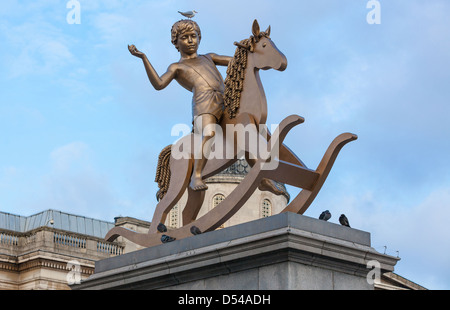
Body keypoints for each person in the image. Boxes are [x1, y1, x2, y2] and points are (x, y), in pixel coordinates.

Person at [129, 19, 232, 191]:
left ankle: (262, 173)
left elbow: (236, 60)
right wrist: (144, 58)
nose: (191, 41)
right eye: (185, 37)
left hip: (224, 100)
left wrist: (251, 46)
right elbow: (159, 84)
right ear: (176, 42)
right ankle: (196, 176)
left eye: (194, 36)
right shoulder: (177, 67)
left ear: (200, 38)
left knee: (250, 129)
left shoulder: (209, 57)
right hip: (204, 105)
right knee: (209, 133)